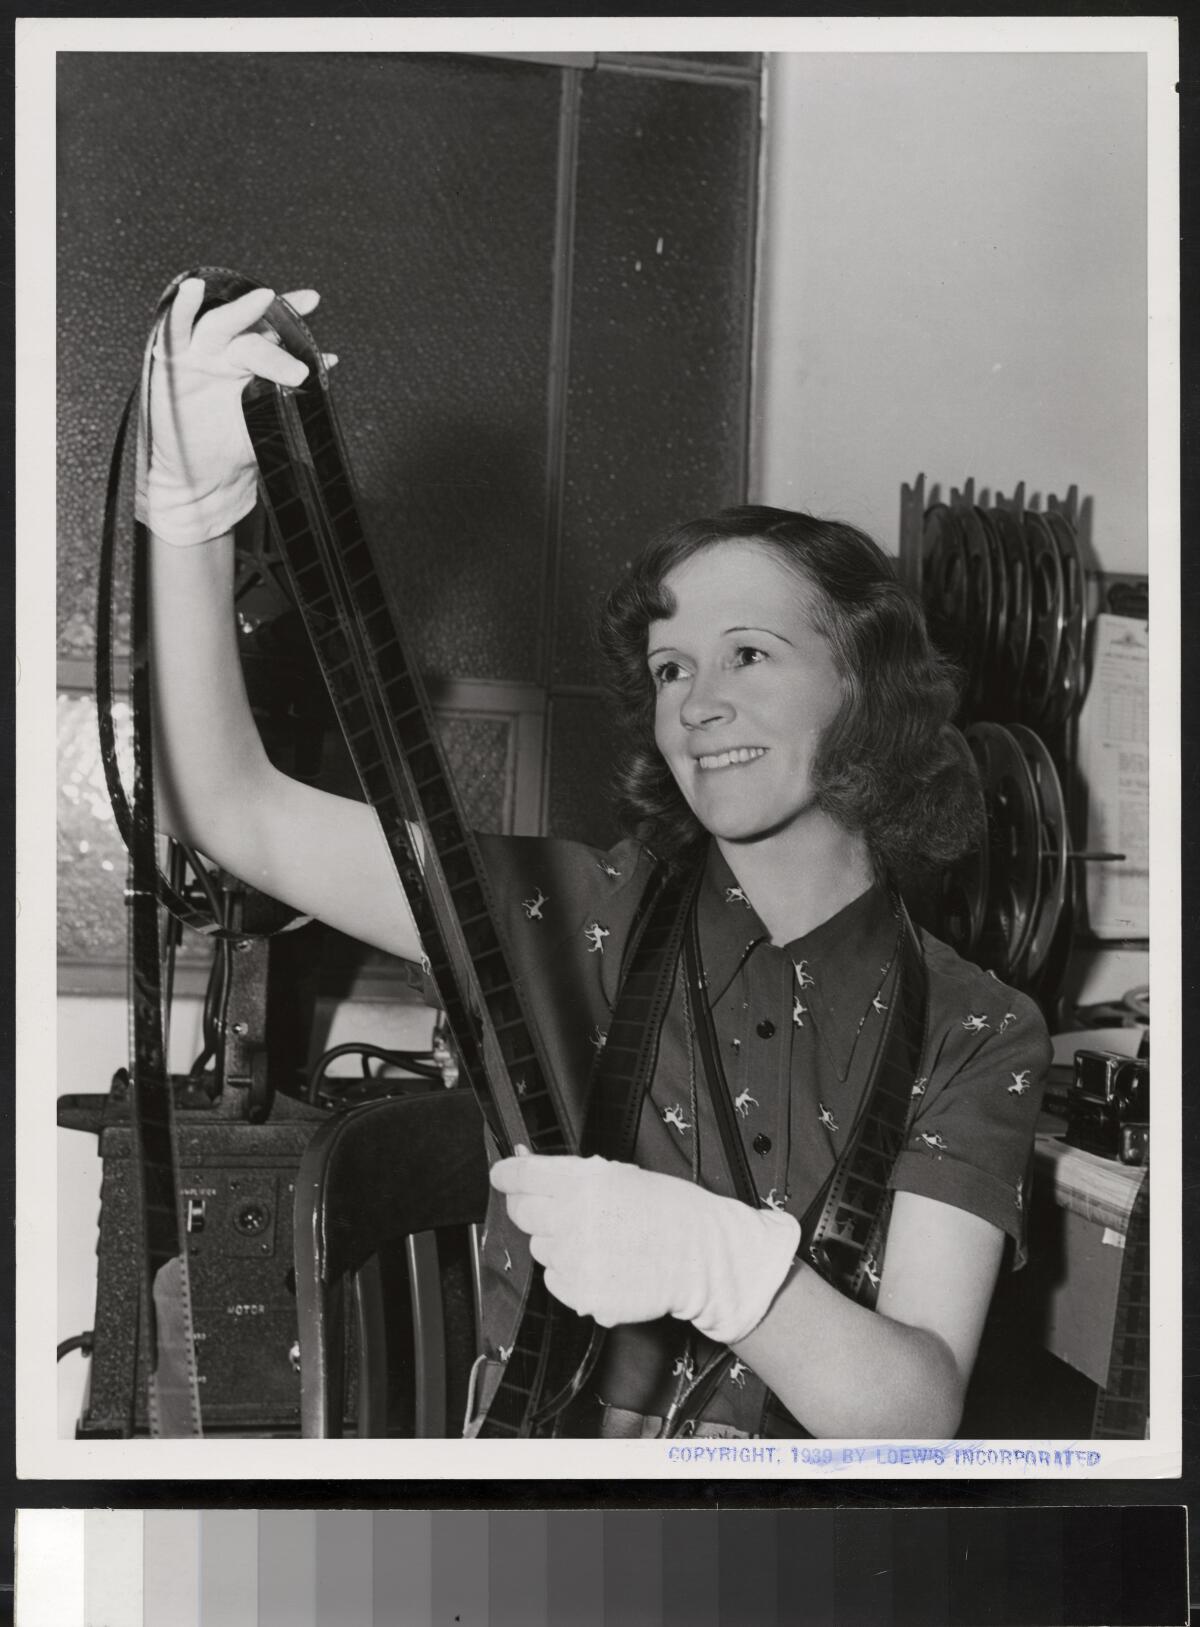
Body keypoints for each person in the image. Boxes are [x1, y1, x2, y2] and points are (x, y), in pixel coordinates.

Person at [139, 277, 1051, 1439]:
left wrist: (732, 1274)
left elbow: (912, 1418)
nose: (700, 705)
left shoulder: (980, 1030)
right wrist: (193, 517)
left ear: (865, 686)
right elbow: (232, 808)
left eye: (749, 655)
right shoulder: (559, 914)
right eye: (672, 669)